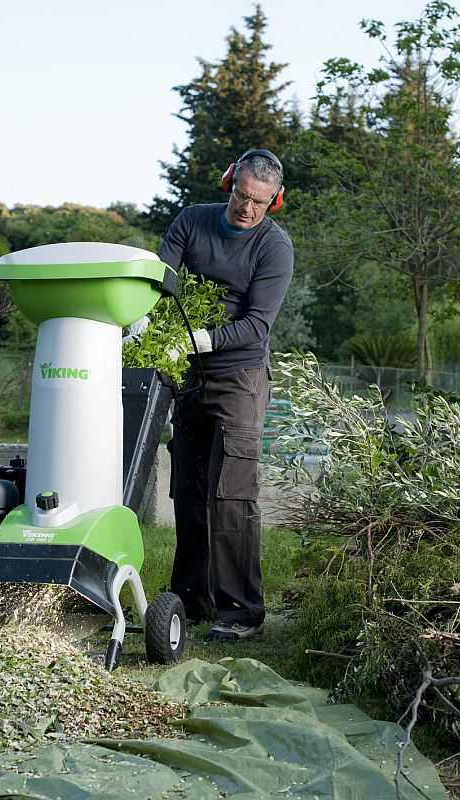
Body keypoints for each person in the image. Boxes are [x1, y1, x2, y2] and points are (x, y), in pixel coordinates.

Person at [157, 148, 294, 641]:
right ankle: (192, 600)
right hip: (186, 372)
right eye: (242, 196)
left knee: (232, 492)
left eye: (260, 202)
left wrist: (208, 339)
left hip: (240, 376)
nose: (247, 209)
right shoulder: (191, 222)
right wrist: (142, 324)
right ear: (229, 183)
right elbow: (158, 283)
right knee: (188, 489)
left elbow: (258, 323)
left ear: (274, 201)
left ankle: (241, 613)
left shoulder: (274, 248)